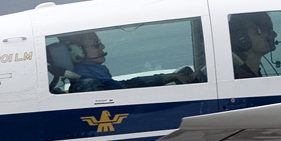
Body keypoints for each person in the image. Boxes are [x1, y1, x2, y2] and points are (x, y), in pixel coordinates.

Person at [58, 30, 197, 92]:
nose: (102, 46)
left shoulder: (96, 78)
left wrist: (167, 77)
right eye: (96, 43)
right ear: (76, 52)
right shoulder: (90, 84)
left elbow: (125, 85)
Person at [228, 12, 276, 79]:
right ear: (243, 40)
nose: (274, 34)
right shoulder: (243, 79)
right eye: (259, 30)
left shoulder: (251, 74)